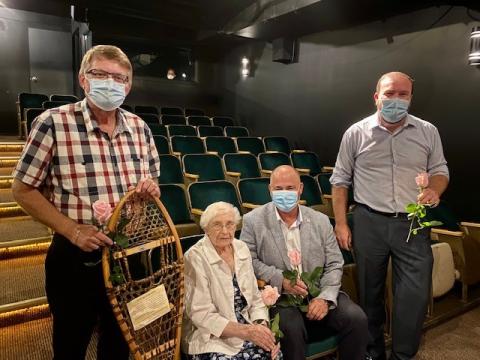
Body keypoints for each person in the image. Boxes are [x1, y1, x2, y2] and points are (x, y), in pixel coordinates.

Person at [12, 45, 161, 360]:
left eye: (119, 78)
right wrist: (72, 229)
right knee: (71, 342)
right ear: (83, 79)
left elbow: (152, 181)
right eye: (100, 74)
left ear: (129, 85)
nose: (111, 83)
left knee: (120, 343)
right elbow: (23, 189)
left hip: (126, 253)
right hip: (75, 255)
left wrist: (150, 190)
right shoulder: (52, 122)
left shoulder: (140, 128)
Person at [330, 71, 449, 360]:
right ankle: (373, 352)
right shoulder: (355, 133)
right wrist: (342, 223)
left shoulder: (427, 131)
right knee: (369, 293)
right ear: (376, 97)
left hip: (412, 223)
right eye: (389, 93)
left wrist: (434, 190)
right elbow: (340, 180)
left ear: (410, 97)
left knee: (414, 295)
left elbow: (440, 171)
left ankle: (403, 355)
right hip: (369, 221)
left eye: (402, 94)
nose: (396, 99)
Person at [241, 165, 368, 360]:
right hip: (280, 298)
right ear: (270, 190)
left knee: (356, 318)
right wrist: (280, 280)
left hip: (318, 291)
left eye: (290, 188)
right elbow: (248, 262)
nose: (285, 193)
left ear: (300, 189)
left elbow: (335, 262)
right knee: (290, 329)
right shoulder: (252, 221)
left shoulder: (321, 220)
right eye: (279, 188)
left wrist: (325, 298)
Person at [182, 201, 281, 360]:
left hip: (246, 325)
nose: (225, 231)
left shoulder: (241, 248)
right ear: (205, 229)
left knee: (273, 354)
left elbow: (255, 298)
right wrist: (247, 332)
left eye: (230, 224)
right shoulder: (195, 257)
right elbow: (201, 314)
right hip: (211, 336)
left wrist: (262, 328)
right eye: (217, 225)